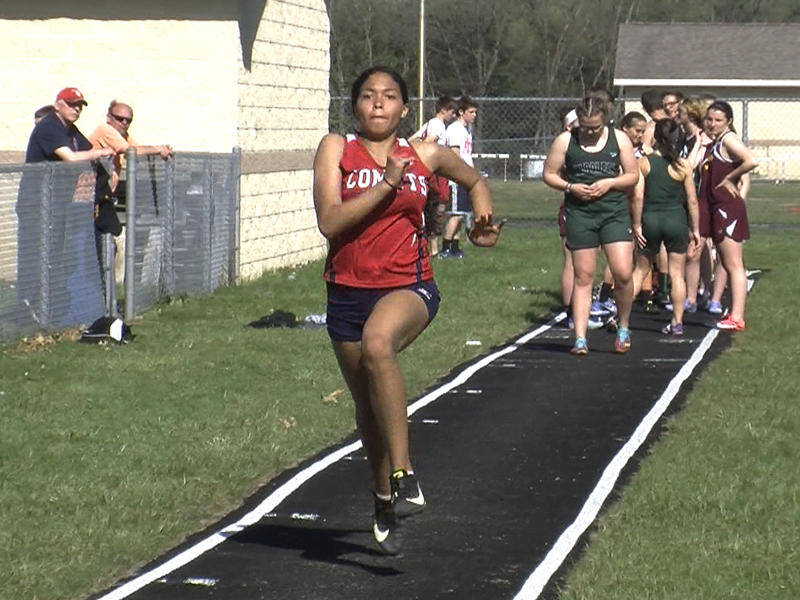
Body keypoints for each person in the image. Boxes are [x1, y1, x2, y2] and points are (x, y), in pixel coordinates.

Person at [312, 66, 498, 555]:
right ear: (355, 105)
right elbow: (330, 222)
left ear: (404, 108)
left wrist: (483, 221)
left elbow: (475, 182)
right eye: (368, 96)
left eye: (389, 96)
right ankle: (383, 496)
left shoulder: (426, 154)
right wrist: (385, 185)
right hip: (347, 290)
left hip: (409, 284)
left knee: (380, 345)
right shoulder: (337, 149)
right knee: (367, 411)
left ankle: (405, 472)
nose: (378, 104)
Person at [543, 96, 639, 355]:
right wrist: (570, 186)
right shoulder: (566, 141)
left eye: (595, 127)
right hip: (581, 213)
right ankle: (581, 338)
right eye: (584, 126)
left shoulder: (619, 139)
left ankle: (624, 326)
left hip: (613, 212)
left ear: (605, 120)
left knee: (622, 272)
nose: (589, 132)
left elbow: (633, 175)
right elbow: (549, 174)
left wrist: (609, 183)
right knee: (583, 275)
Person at [631, 119, 700, 336]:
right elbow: (692, 201)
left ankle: (621, 318)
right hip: (676, 221)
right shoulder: (683, 166)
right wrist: (695, 229)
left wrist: (636, 224)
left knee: (641, 269)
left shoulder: (644, 162)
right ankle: (677, 322)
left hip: (651, 219)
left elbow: (638, 196)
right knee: (677, 274)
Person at [696, 101, 759, 331]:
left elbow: (751, 160)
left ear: (728, 122)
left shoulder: (729, 139)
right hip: (718, 206)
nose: (712, 124)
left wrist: (731, 177)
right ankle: (733, 313)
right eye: (709, 119)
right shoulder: (715, 142)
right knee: (727, 261)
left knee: (733, 264)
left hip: (727, 208)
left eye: (718, 120)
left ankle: (737, 317)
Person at [88, 100, 173, 193]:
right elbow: (130, 150)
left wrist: (162, 151)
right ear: (108, 118)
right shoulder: (105, 129)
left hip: (104, 193)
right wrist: (159, 149)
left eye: (128, 120)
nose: (124, 123)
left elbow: (139, 150)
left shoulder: (124, 137)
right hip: (91, 193)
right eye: (120, 119)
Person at [410, 96, 458, 256]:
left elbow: (413, 138)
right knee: (438, 207)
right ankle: (434, 248)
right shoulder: (439, 125)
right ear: (443, 110)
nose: (453, 115)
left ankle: (425, 245)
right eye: (451, 112)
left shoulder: (429, 123)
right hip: (435, 171)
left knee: (427, 206)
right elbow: (429, 142)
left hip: (423, 169)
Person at [441, 96, 479, 258]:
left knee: (462, 214)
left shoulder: (466, 130)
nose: (474, 115)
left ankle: (455, 248)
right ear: (461, 112)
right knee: (455, 214)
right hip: (456, 178)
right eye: (471, 112)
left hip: (466, 177)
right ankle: (445, 248)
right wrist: (465, 173)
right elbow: (455, 155)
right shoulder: (455, 129)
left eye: (475, 112)